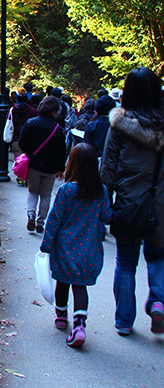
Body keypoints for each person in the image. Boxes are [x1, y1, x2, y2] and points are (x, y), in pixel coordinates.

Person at [100, 66, 164, 336]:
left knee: (126, 262)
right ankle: (159, 301)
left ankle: (124, 321)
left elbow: (107, 172)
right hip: (161, 205)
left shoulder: (119, 126)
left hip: (128, 203)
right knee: (158, 258)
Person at [40, 143, 111, 347]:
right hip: (89, 249)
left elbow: (54, 219)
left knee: (62, 282)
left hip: (64, 247)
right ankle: (80, 325)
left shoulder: (67, 190)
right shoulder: (101, 191)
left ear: (72, 164)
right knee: (80, 286)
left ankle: (61, 316)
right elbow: (107, 216)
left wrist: (46, 244)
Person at [18, 96, 67, 233]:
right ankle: (40, 222)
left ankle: (31, 214)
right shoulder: (58, 129)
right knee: (46, 195)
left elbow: (22, 143)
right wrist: (61, 168)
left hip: (33, 164)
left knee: (33, 191)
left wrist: (29, 153)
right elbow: (62, 151)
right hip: (50, 168)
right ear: (54, 111)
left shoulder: (30, 123)